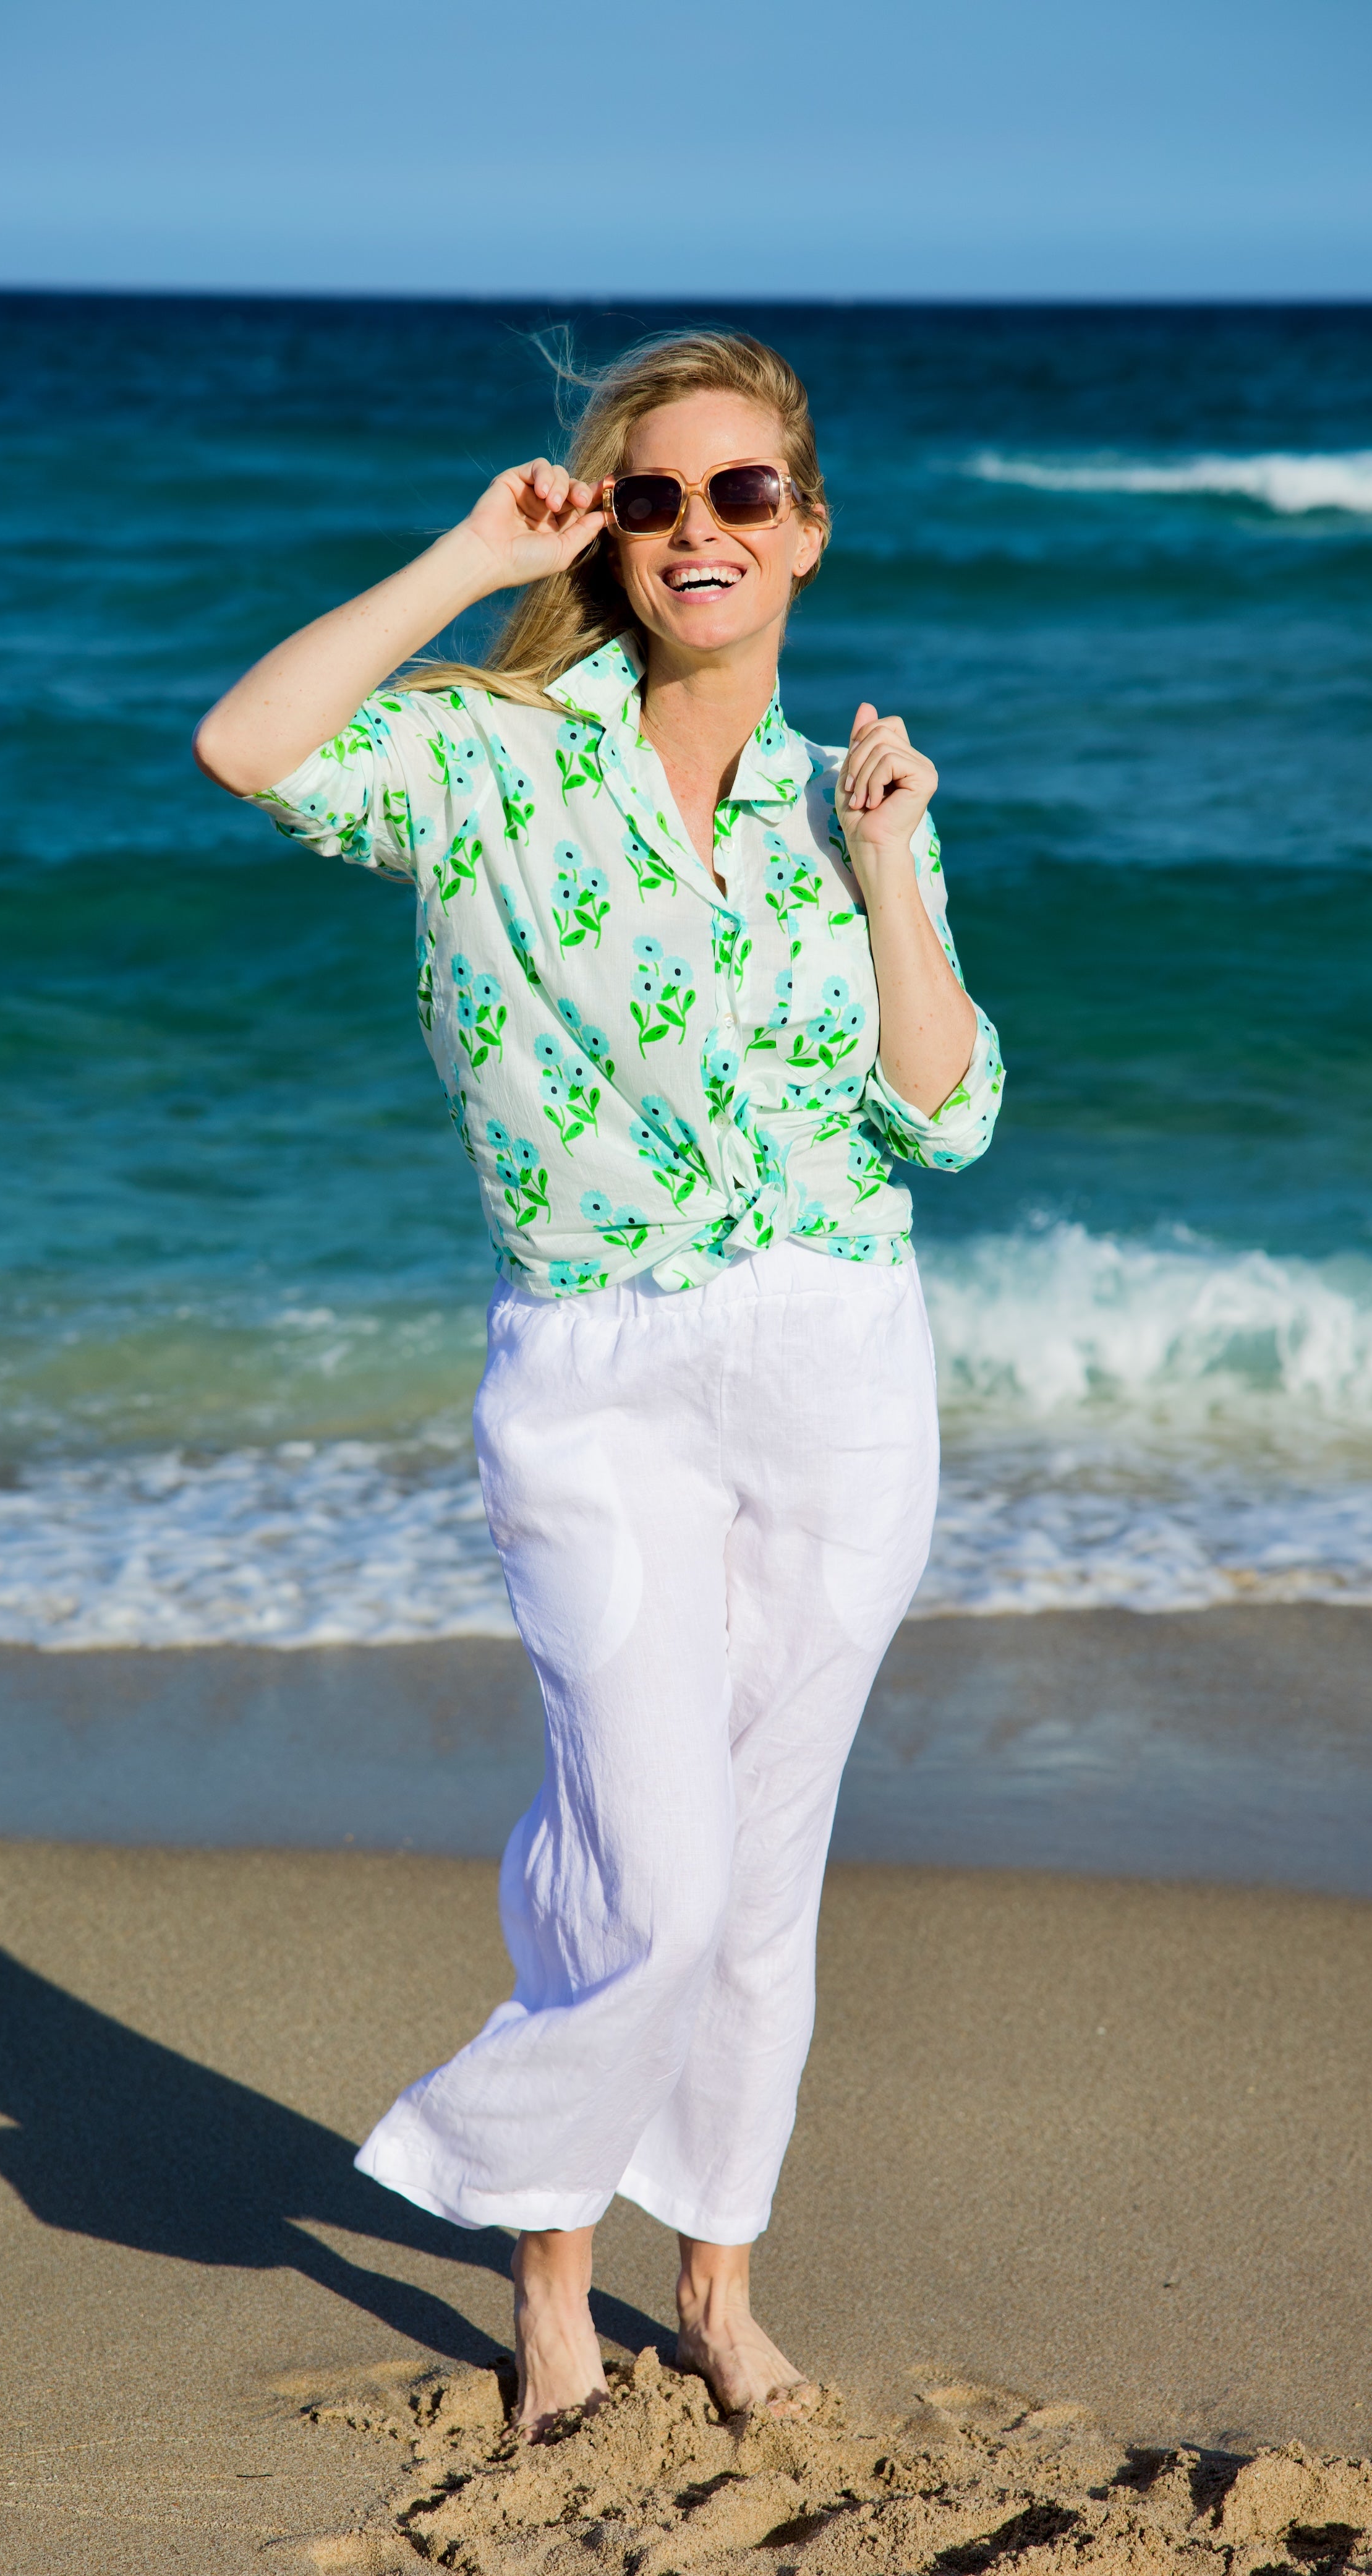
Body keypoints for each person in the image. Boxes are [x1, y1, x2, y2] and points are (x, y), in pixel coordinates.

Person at [195, 330, 1004, 2437]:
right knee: (643, 1869)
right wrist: (475, 553)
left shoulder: (856, 805)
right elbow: (248, 746)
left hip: (839, 1361)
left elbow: (951, 1111)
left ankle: (708, 2289)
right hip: (597, 1369)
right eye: (658, 497)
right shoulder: (495, 765)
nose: (702, 530)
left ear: (807, 528)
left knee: (762, 1872)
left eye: (746, 494)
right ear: (616, 531)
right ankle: (536, 2241)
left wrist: (895, 857)